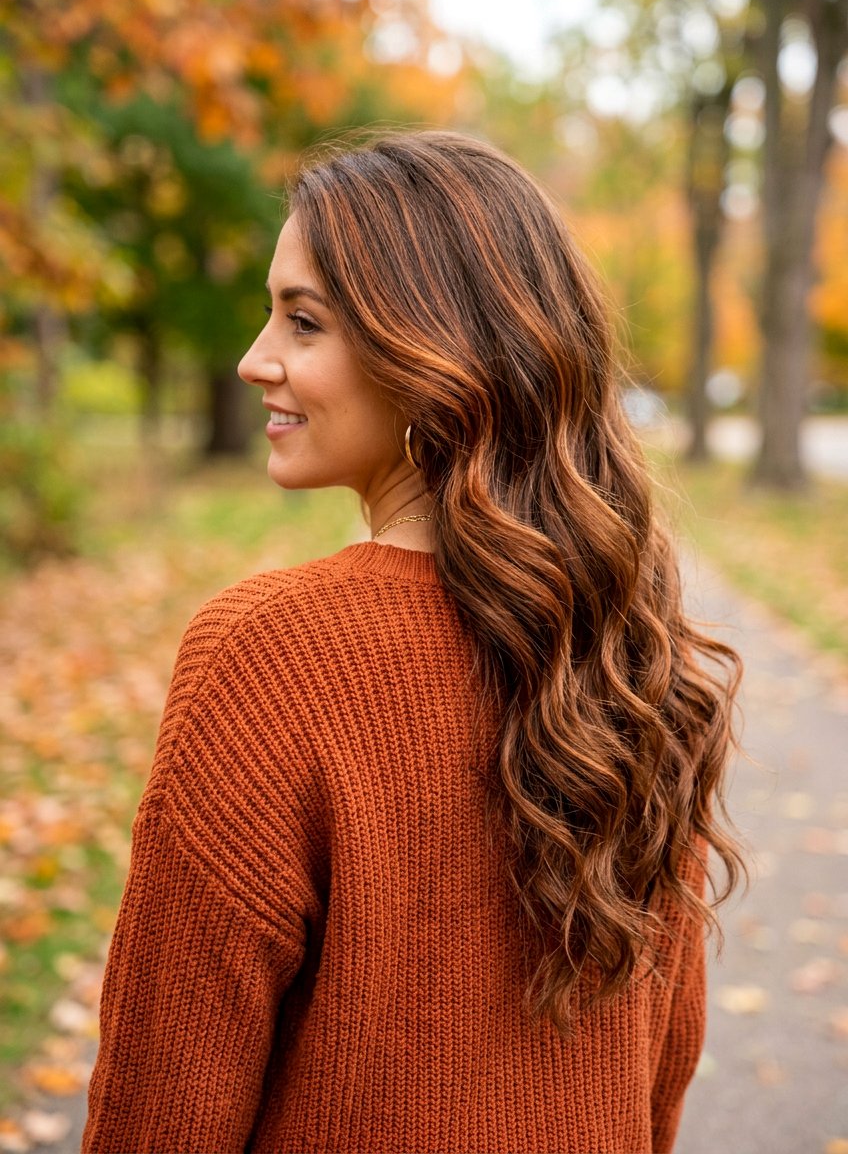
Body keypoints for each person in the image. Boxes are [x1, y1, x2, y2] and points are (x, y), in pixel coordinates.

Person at [81, 128, 749, 1154]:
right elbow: (653, 1084)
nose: (254, 359)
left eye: (302, 321)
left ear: (429, 355)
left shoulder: (265, 658)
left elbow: (163, 1107)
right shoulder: (632, 658)